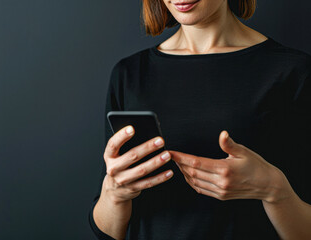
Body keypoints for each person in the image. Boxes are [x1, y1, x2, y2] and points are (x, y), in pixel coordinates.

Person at [88, 0, 311, 239]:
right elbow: (108, 232)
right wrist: (114, 192)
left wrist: (273, 190)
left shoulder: (293, 72)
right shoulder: (129, 74)